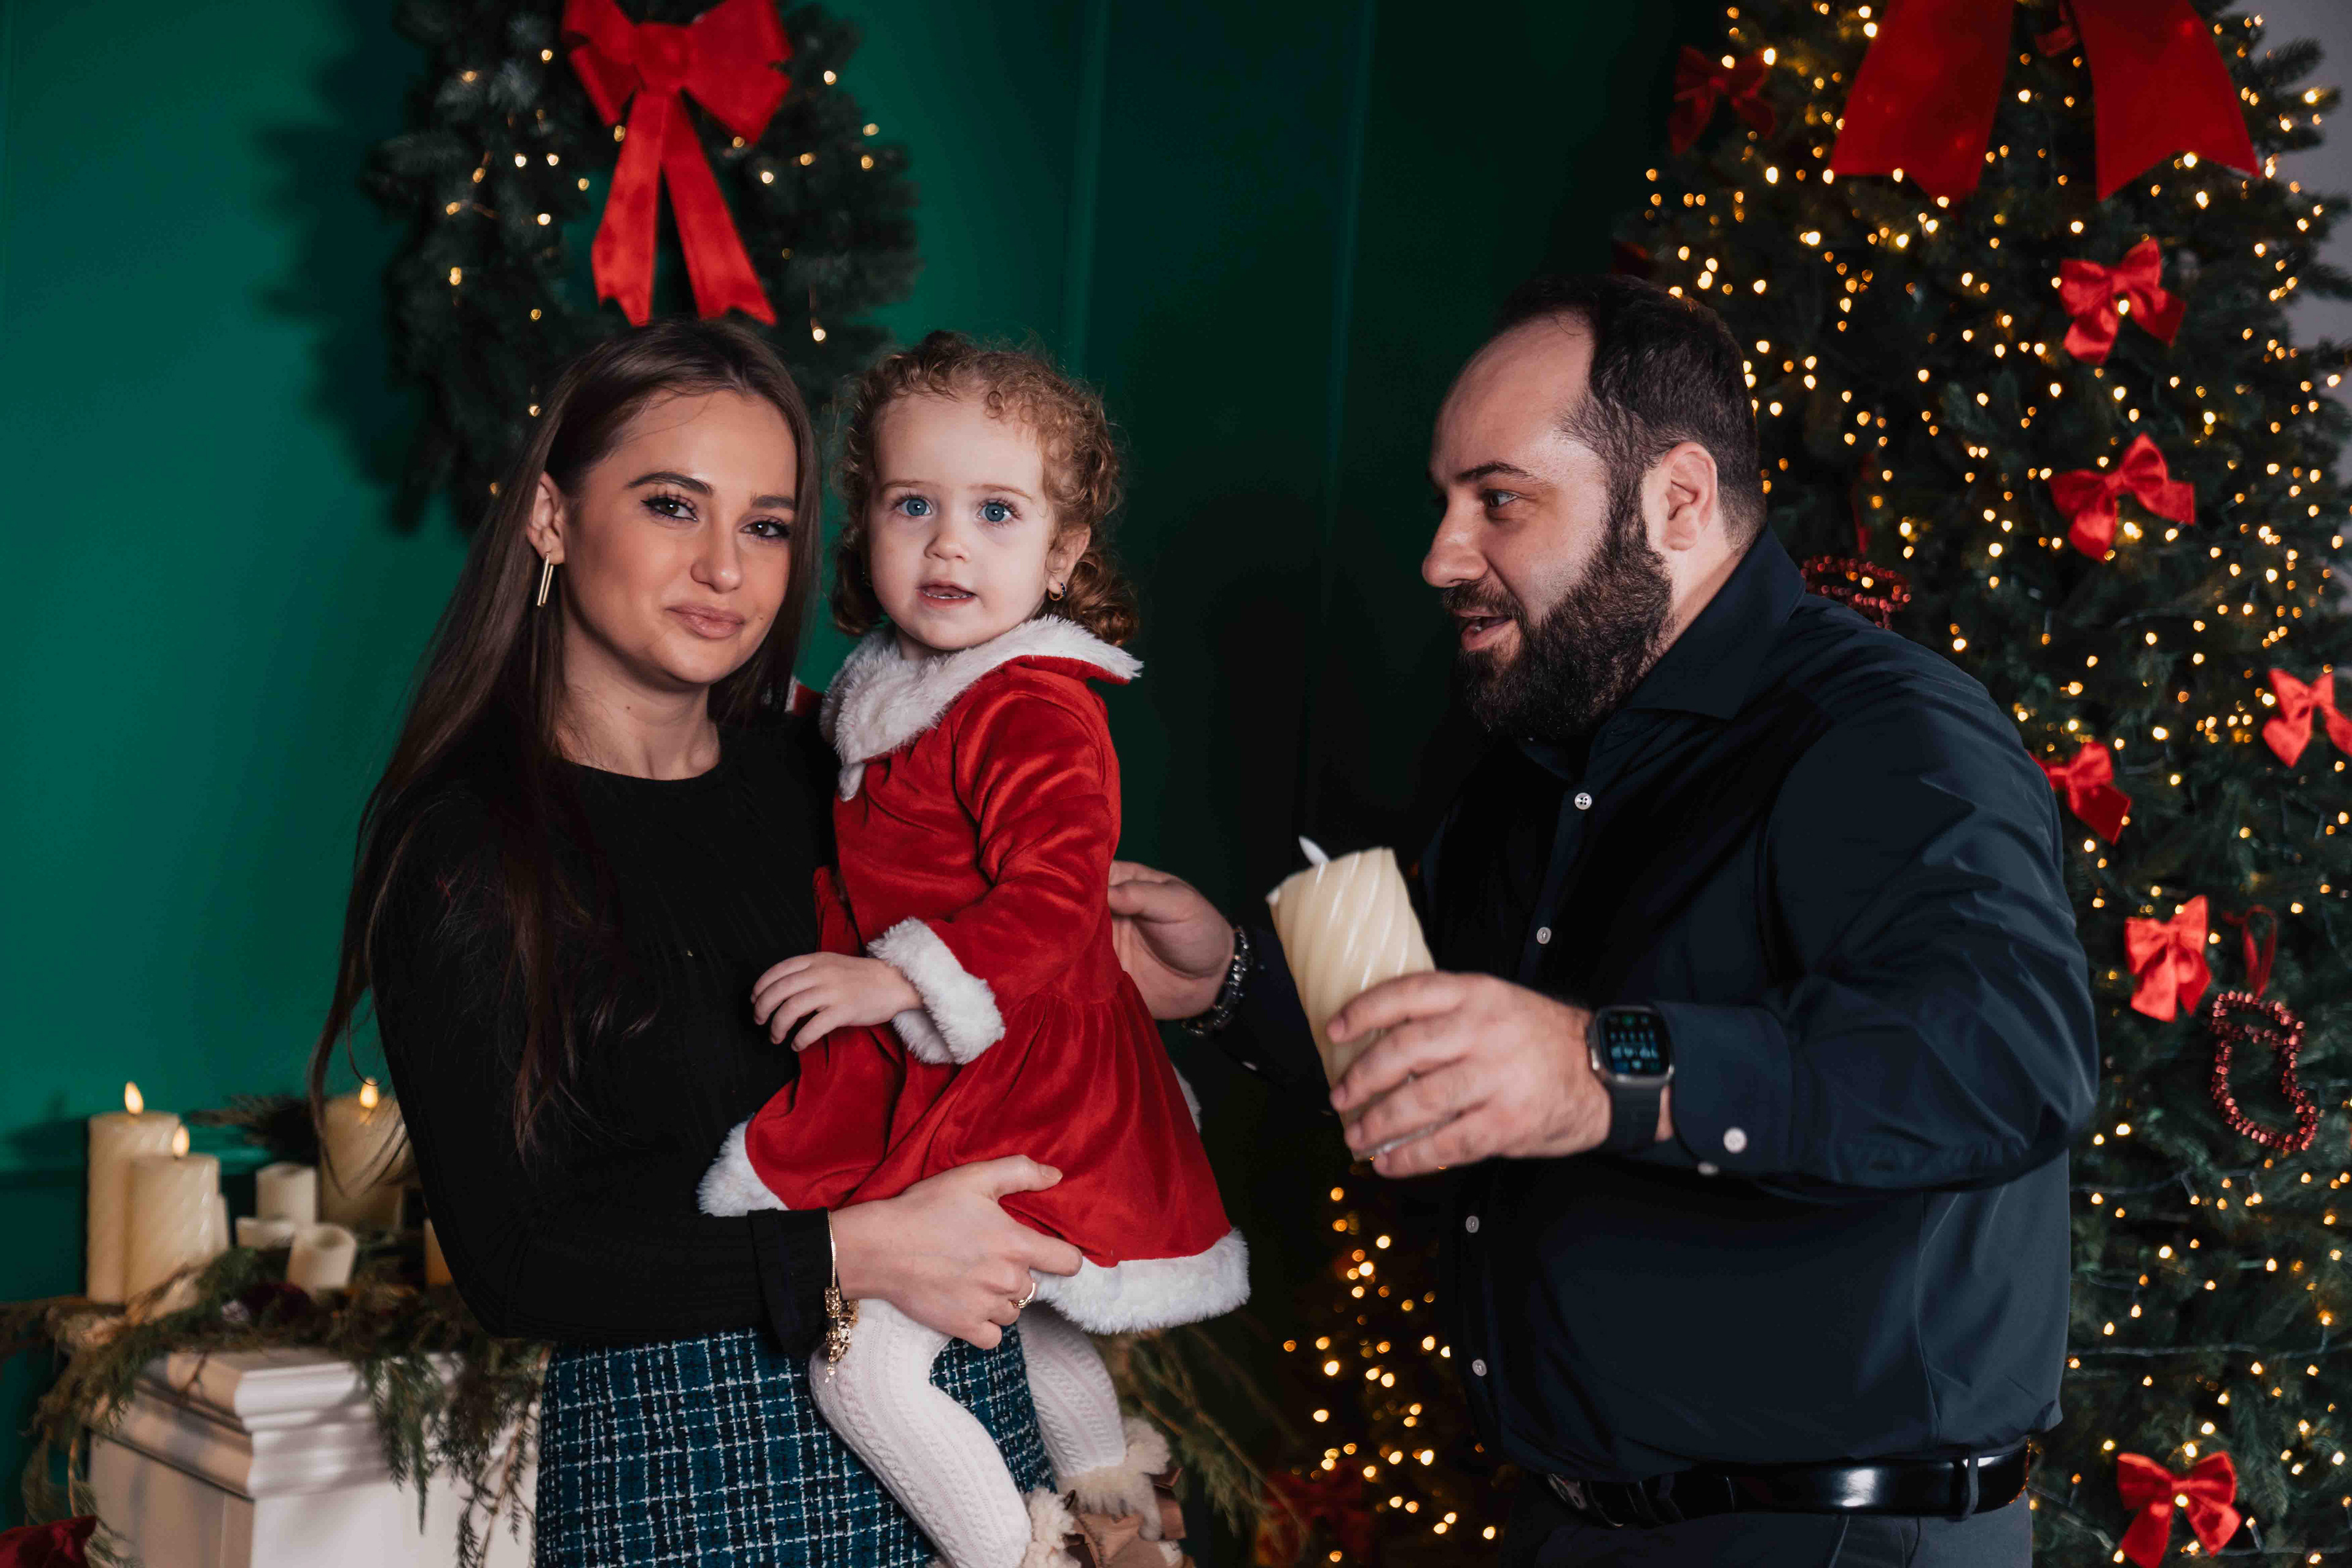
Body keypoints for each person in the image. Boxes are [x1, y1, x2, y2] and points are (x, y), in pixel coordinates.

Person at [1108, 275, 2099, 1566]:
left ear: (1676, 499)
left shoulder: (1878, 731)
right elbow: (1441, 1037)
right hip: (1572, 1524)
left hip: (1836, 1543)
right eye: (1445, 502)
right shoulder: (1536, 763)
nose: (1441, 556)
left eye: (1499, 501)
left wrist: (1598, 1068)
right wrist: (1233, 980)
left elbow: (2006, 1057)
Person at [311, 319, 1087, 1567]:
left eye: (767, 526)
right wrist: (849, 1251)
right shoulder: (467, 844)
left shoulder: (832, 771)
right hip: (689, 1471)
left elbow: (999, 995)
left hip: (976, 1426)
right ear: (552, 517)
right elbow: (512, 1262)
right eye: (673, 505)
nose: (724, 566)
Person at [697, 333, 1242, 1568]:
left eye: (996, 512)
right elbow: (864, 770)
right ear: (867, 529)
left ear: (1062, 554)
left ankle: (1014, 1554)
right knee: (1040, 1311)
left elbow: (1056, 899)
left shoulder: (1035, 703)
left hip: (1023, 1072)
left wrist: (898, 976)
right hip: (994, 1063)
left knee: (862, 1372)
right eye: (914, 506)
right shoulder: (901, 679)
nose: (950, 544)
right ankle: (1115, 1517)